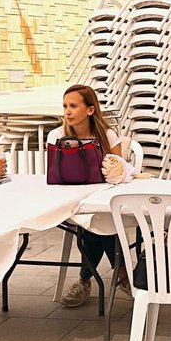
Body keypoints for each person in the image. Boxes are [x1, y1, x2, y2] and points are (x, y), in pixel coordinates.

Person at [55, 84, 127, 308]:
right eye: (65, 106)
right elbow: (53, 174)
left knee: (99, 221)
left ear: (90, 110)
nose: (67, 111)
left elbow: (120, 170)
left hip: (103, 197)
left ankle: (84, 280)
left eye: (74, 106)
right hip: (70, 199)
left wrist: (115, 170)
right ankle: (123, 274)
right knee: (98, 222)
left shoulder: (107, 135)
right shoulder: (58, 135)